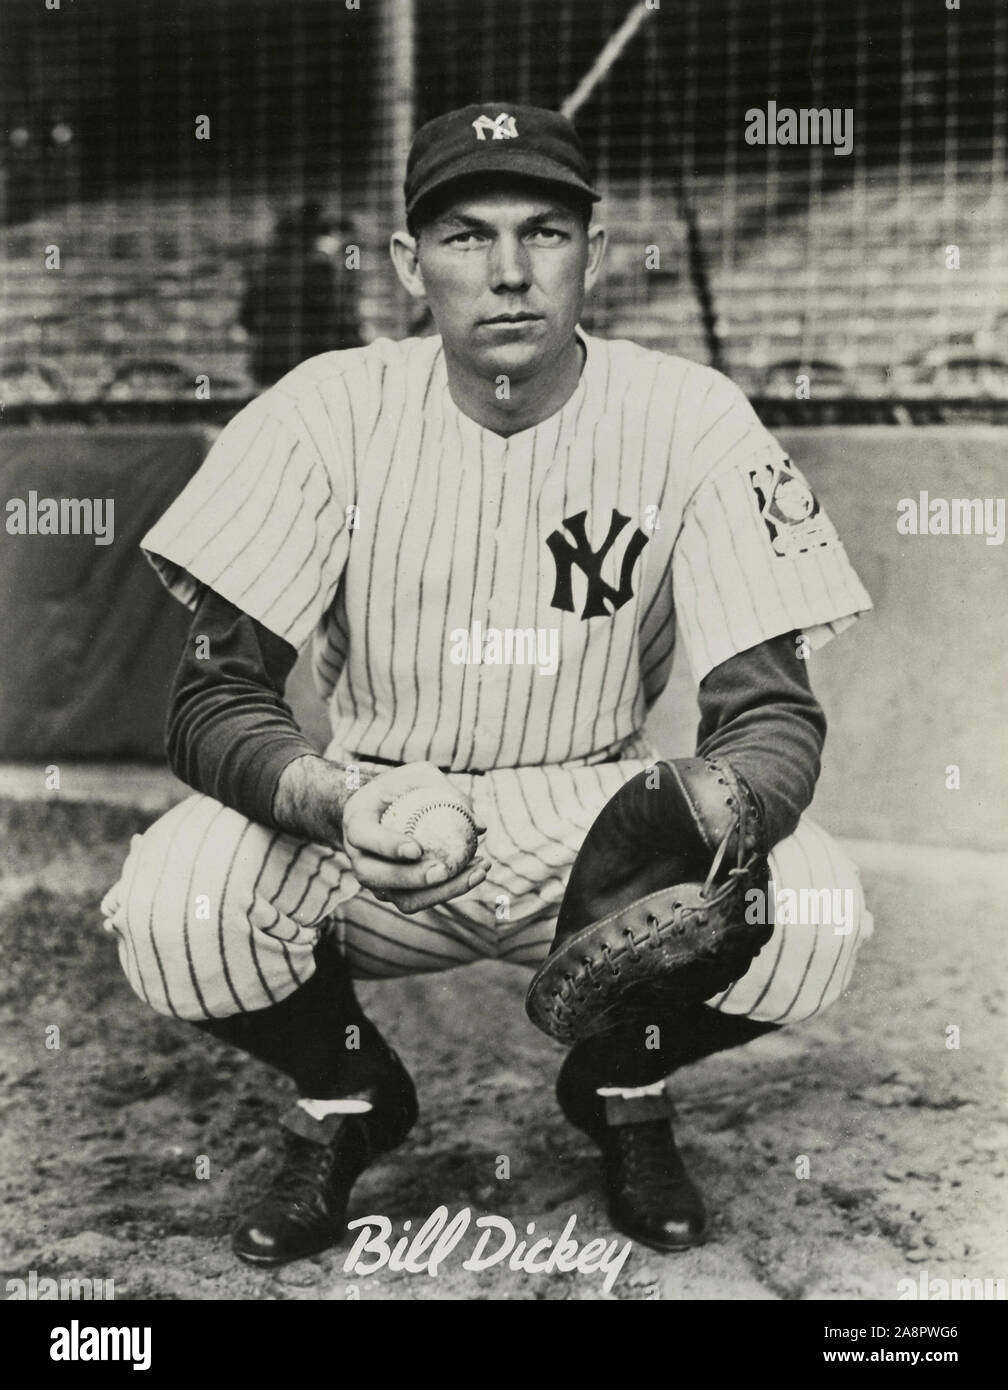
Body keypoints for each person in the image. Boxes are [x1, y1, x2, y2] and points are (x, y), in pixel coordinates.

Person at [102, 103, 873, 1267]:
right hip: (372, 808)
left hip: (592, 824)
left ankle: (620, 1080)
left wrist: (718, 813)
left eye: (545, 232)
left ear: (596, 254)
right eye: (466, 236)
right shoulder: (323, 411)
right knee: (175, 906)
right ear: (411, 264)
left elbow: (769, 710)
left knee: (816, 911)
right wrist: (330, 801)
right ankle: (350, 1094)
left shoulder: (691, 418)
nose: (509, 272)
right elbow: (213, 701)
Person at [240, 199, 362, 386]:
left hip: (269, 362)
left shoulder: (264, 268)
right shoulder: (320, 266)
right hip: (309, 365)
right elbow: (338, 318)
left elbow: (246, 319)